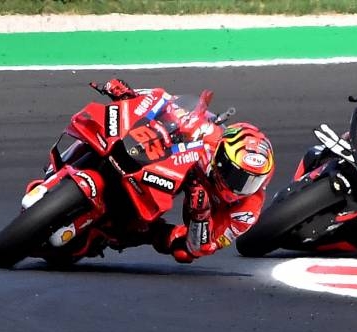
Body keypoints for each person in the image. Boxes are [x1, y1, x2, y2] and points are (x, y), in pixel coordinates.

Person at [91, 78, 275, 263]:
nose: (240, 186)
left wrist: (200, 214)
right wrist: (132, 97)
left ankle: (134, 231)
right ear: (222, 157)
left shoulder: (246, 212)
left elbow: (202, 247)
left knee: (183, 252)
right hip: (181, 169)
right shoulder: (212, 137)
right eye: (236, 175)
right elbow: (169, 104)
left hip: (201, 210)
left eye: (252, 181)